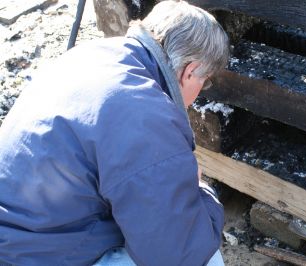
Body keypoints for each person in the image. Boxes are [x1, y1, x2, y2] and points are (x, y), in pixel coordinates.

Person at [0, 1, 230, 265]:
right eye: (206, 80)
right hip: (35, 254)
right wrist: (202, 191)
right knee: (206, 257)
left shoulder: (91, 53)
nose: (203, 88)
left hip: (20, 232)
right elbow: (179, 253)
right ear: (190, 71)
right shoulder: (148, 116)